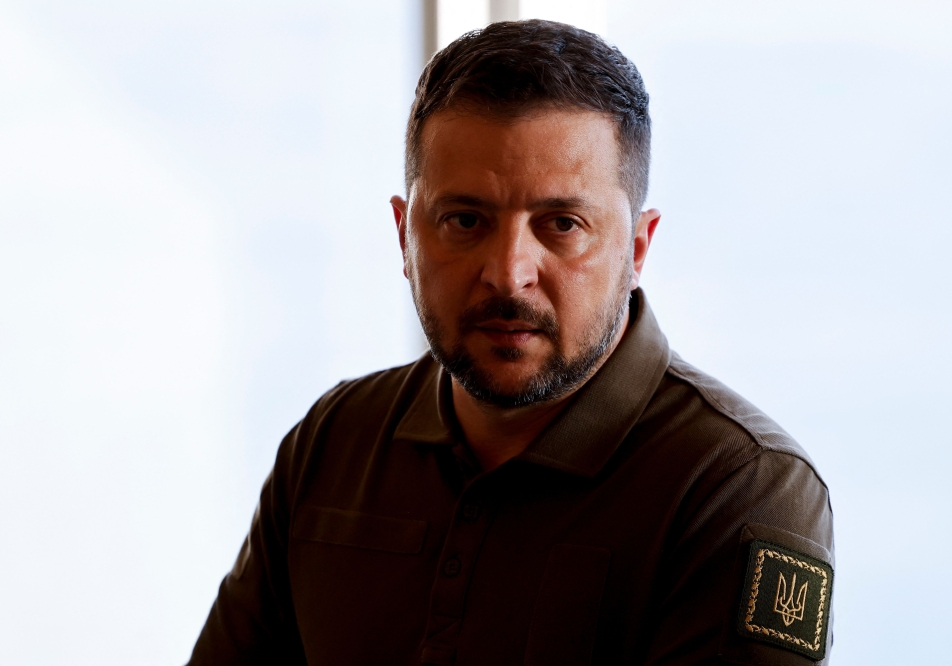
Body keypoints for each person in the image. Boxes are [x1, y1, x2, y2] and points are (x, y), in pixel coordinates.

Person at [187, 19, 834, 666]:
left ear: (637, 248)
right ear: (404, 236)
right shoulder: (333, 442)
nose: (507, 272)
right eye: (465, 221)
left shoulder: (741, 486)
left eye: (561, 224)